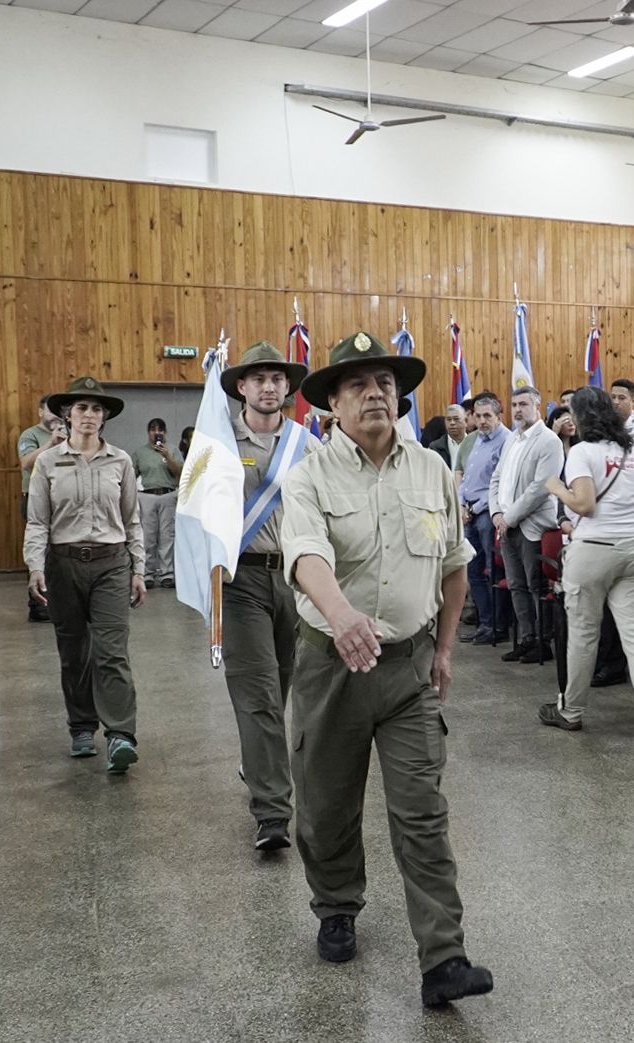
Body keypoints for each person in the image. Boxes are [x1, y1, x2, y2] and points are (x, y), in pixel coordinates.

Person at [280, 331, 493, 1007]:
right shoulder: (308, 474)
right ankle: (336, 903)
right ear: (332, 406)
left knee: (423, 814)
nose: (375, 393)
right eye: (357, 385)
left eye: (385, 383)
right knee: (326, 807)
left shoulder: (431, 469)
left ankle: (443, 956)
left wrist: (446, 648)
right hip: (330, 670)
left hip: (407, 670)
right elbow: (307, 555)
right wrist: (341, 616)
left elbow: (453, 566)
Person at [211, 342, 315, 852]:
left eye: (278, 378)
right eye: (259, 379)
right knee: (257, 697)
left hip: (295, 580)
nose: (270, 386)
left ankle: (258, 762)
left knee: (279, 690)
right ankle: (273, 811)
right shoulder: (219, 440)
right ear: (241, 388)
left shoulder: (306, 444)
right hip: (240, 581)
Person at [539, 386, 634, 746]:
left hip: (595, 549)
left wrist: (556, 488)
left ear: (582, 417)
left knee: (583, 634)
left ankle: (571, 711)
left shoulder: (582, 452)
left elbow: (583, 505)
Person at [24, 376, 147, 773]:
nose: (89, 415)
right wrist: (35, 567)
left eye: (96, 409)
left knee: (112, 652)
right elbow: (38, 521)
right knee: (74, 652)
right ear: (66, 414)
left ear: (105, 416)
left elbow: (132, 519)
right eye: (81, 408)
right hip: (64, 564)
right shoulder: (47, 462)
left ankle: (121, 735)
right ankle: (81, 726)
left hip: (111, 563)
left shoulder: (121, 461)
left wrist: (139, 568)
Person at [489, 386, 563, 665]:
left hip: (530, 524)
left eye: (523, 404)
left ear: (538, 405)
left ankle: (543, 642)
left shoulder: (549, 441)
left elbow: (541, 488)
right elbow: (496, 478)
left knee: (535, 585)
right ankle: (527, 639)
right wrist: (496, 512)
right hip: (505, 523)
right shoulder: (512, 439)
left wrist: (509, 518)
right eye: (514, 405)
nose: (518, 410)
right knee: (517, 585)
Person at [458, 392, 510, 645]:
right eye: (477, 416)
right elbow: (466, 478)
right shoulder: (476, 439)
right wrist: (460, 505)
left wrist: (475, 507)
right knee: (474, 571)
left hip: (488, 514)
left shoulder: (506, 441)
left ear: (499, 416)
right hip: (469, 513)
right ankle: (484, 624)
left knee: (493, 572)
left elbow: (499, 484)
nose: (482, 421)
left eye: (487, 416)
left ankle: (497, 627)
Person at [19, 398, 65, 622]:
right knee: (39, 552)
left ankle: (58, 603)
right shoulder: (30, 435)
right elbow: (26, 463)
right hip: (34, 499)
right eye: (50, 411)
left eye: (58, 412)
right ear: (40, 412)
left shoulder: (69, 434)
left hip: (60, 501)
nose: (55, 416)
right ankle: (38, 606)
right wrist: (51, 444)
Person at [130, 418, 183, 590]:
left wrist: (167, 456)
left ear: (165, 433)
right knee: (148, 537)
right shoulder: (140, 452)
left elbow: (181, 473)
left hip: (168, 495)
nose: (157, 432)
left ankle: (167, 573)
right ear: (148, 433)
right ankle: (147, 574)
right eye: (153, 429)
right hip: (146, 496)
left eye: (160, 429)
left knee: (168, 536)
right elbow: (131, 475)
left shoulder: (173, 450)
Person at [428, 404, 473, 472]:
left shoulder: (476, 444)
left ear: (466, 421)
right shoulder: (435, 447)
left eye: (456, 419)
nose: (452, 423)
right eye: (448, 419)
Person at [610, 378, 634, 445]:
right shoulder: (606, 423)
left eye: (621, 398)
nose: (615, 402)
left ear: (633, 401)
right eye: (613, 397)